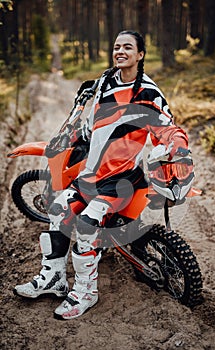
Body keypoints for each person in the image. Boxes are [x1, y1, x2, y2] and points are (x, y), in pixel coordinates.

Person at [14, 30, 192, 320]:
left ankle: (86, 292)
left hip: (120, 182)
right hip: (90, 175)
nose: (120, 51)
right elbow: (95, 123)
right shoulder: (104, 82)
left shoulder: (148, 93)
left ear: (140, 55)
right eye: (116, 47)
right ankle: (54, 279)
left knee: (86, 227)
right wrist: (78, 131)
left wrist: (177, 145)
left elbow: (169, 128)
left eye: (128, 47)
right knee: (58, 211)